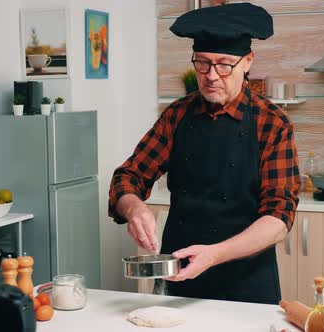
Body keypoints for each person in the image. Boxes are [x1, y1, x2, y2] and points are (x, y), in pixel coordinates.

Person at [108, 3, 300, 304]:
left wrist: (215, 254)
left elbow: (278, 218)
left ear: (248, 62)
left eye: (224, 65)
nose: (211, 75)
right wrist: (134, 208)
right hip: (180, 280)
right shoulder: (177, 115)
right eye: (202, 63)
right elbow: (128, 176)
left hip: (247, 284)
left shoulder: (271, 122)